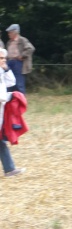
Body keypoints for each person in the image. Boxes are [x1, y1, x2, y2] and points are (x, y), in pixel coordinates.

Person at [0, 48, 25, 177]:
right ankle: (9, 169)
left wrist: (6, 69)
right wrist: (10, 96)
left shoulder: (1, 72)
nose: (4, 60)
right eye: (1, 58)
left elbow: (12, 82)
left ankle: (9, 169)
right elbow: (1, 96)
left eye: (4, 58)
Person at [5, 24, 35, 94]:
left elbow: (31, 48)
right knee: (9, 83)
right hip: (9, 62)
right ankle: (10, 102)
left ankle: (22, 102)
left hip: (18, 63)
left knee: (19, 84)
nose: (8, 34)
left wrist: (22, 56)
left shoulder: (22, 40)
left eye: (10, 32)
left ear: (15, 32)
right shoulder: (9, 42)